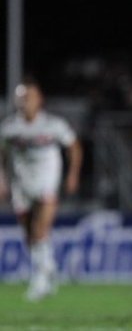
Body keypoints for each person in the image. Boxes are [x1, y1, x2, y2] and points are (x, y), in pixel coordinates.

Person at [0, 78, 83, 301]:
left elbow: (74, 146)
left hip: (47, 181)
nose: (25, 101)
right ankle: (49, 267)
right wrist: (2, 179)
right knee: (29, 235)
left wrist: (73, 174)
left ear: (40, 100)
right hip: (21, 185)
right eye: (22, 97)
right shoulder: (9, 127)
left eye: (30, 97)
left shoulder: (53, 125)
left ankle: (40, 279)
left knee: (40, 229)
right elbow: (2, 152)